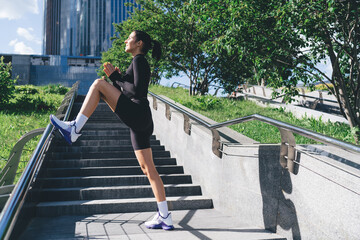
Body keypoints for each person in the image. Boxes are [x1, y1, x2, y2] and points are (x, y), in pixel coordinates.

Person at [49, 30, 174, 231]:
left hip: (137, 111)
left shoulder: (140, 60)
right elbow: (127, 88)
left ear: (139, 43)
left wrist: (115, 77)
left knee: (99, 85)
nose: (126, 40)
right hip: (139, 119)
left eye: (129, 38)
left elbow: (138, 92)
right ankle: (164, 215)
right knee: (148, 169)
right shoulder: (135, 62)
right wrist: (117, 78)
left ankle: (74, 128)